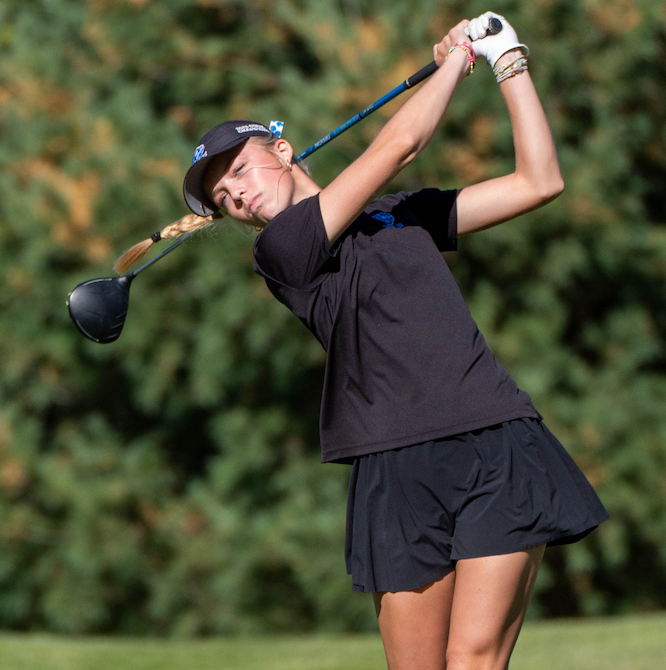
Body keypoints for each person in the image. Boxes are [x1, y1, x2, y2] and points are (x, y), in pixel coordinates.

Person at [124, 11, 608, 670]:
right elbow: (398, 146)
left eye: (239, 168)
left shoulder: (398, 215)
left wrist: (508, 61)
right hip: (396, 466)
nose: (236, 192)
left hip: (496, 438)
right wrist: (454, 64)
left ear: (283, 150)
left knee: (476, 662)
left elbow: (538, 183)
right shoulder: (283, 249)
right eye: (221, 193)